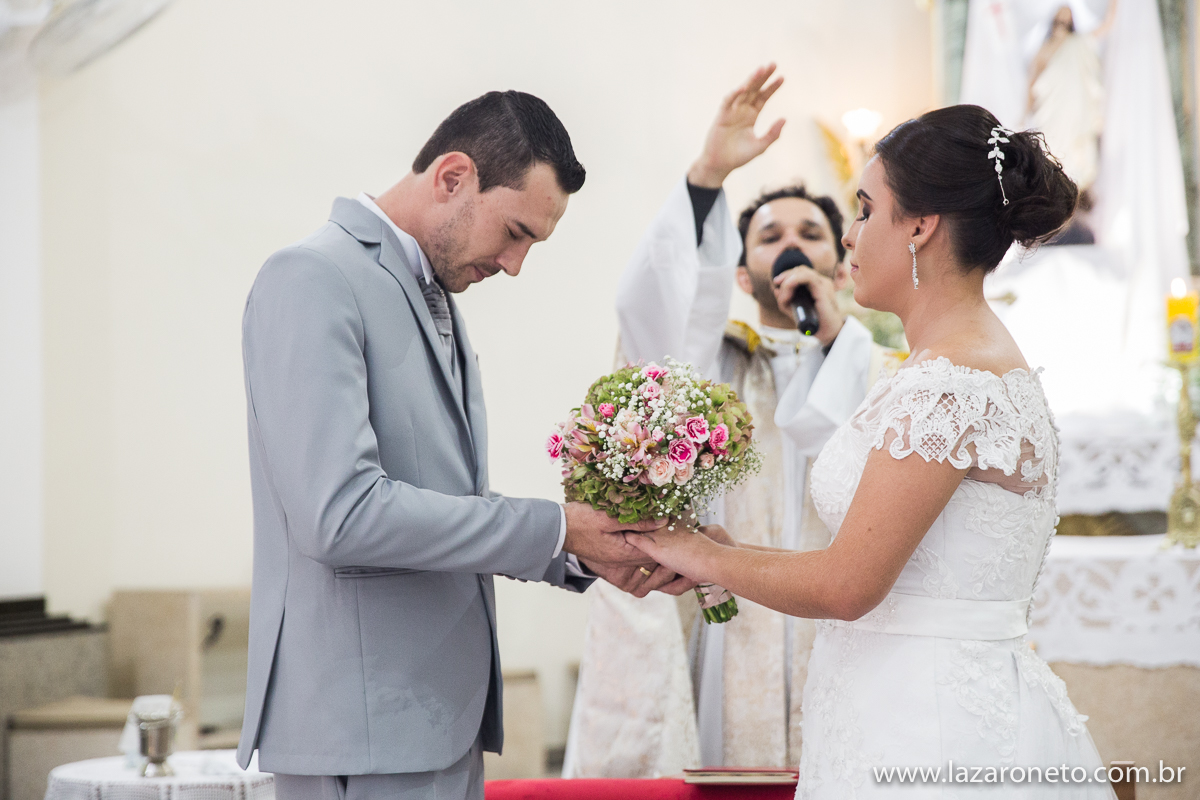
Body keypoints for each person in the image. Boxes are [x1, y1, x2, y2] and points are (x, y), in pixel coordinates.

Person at [628, 104, 1116, 798]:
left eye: (864, 210)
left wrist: (701, 557)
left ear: (920, 226)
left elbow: (848, 586)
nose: (848, 236)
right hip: (904, 702)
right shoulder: (953, 363)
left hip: (929, 729)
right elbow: (889, 564)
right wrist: (734, 552)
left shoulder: (950, 384)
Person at [236, 91, 688, 800]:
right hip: (363, 731)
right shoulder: (313, 277)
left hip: (437, 722)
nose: (515, 264)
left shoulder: (434, 293)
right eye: (515, 232)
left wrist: (587, 548)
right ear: (453, 177)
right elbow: (340, 515)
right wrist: (555, 527)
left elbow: (444, 505)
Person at [564, 66, 895, 776]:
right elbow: (656, 307)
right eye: (770, 235)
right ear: (739, 275)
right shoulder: (704, 363)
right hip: (727, 634)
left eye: (811, 232)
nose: (791, 244)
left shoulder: (880, 369)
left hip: (844, 632)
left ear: (841, 265)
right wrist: (707, 178)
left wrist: (836, 341)